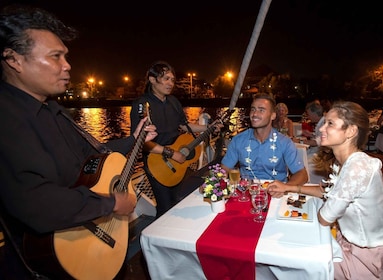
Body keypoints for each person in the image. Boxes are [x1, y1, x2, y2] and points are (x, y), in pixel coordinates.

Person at [0, 5, 157, 279]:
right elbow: (36, 202)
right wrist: (110, 204)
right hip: (45, 263)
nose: (67, 65)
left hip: (83, 242)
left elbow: (92, 156)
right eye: (56, 57)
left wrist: (134, 139)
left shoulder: (53, 110)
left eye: (66, 56)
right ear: (14, 60)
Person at [267, 101, 383, 279]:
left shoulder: (358, 167)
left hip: (370, 260)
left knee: (294, 263)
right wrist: (289, 187)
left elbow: (325, 218)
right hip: (349, 245)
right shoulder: (346, 163)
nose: (322, 128)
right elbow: (327, 191)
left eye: (330, 123)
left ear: (351, 131)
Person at [130, 61, 222, 218]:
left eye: (172, 80)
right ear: (152, 80)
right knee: (165, 207)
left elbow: (184, 126)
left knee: (176, 201)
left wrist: (209, 127)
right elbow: (140, 141)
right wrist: (170, 153)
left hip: (177, 160)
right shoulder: (142, 104)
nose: (170, 83)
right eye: (166, 78)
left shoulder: (173, 101)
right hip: (157, 160)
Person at [221, 93, 308, 186]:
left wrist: (285, 188)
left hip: (276, 194)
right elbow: (224, 169)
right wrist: (214, 183)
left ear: (273, 116)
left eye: (261, 110)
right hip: (246, 192)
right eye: (253, 109)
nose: (254, 114)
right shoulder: (238, 140)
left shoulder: (285, 143)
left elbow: (302, 175)